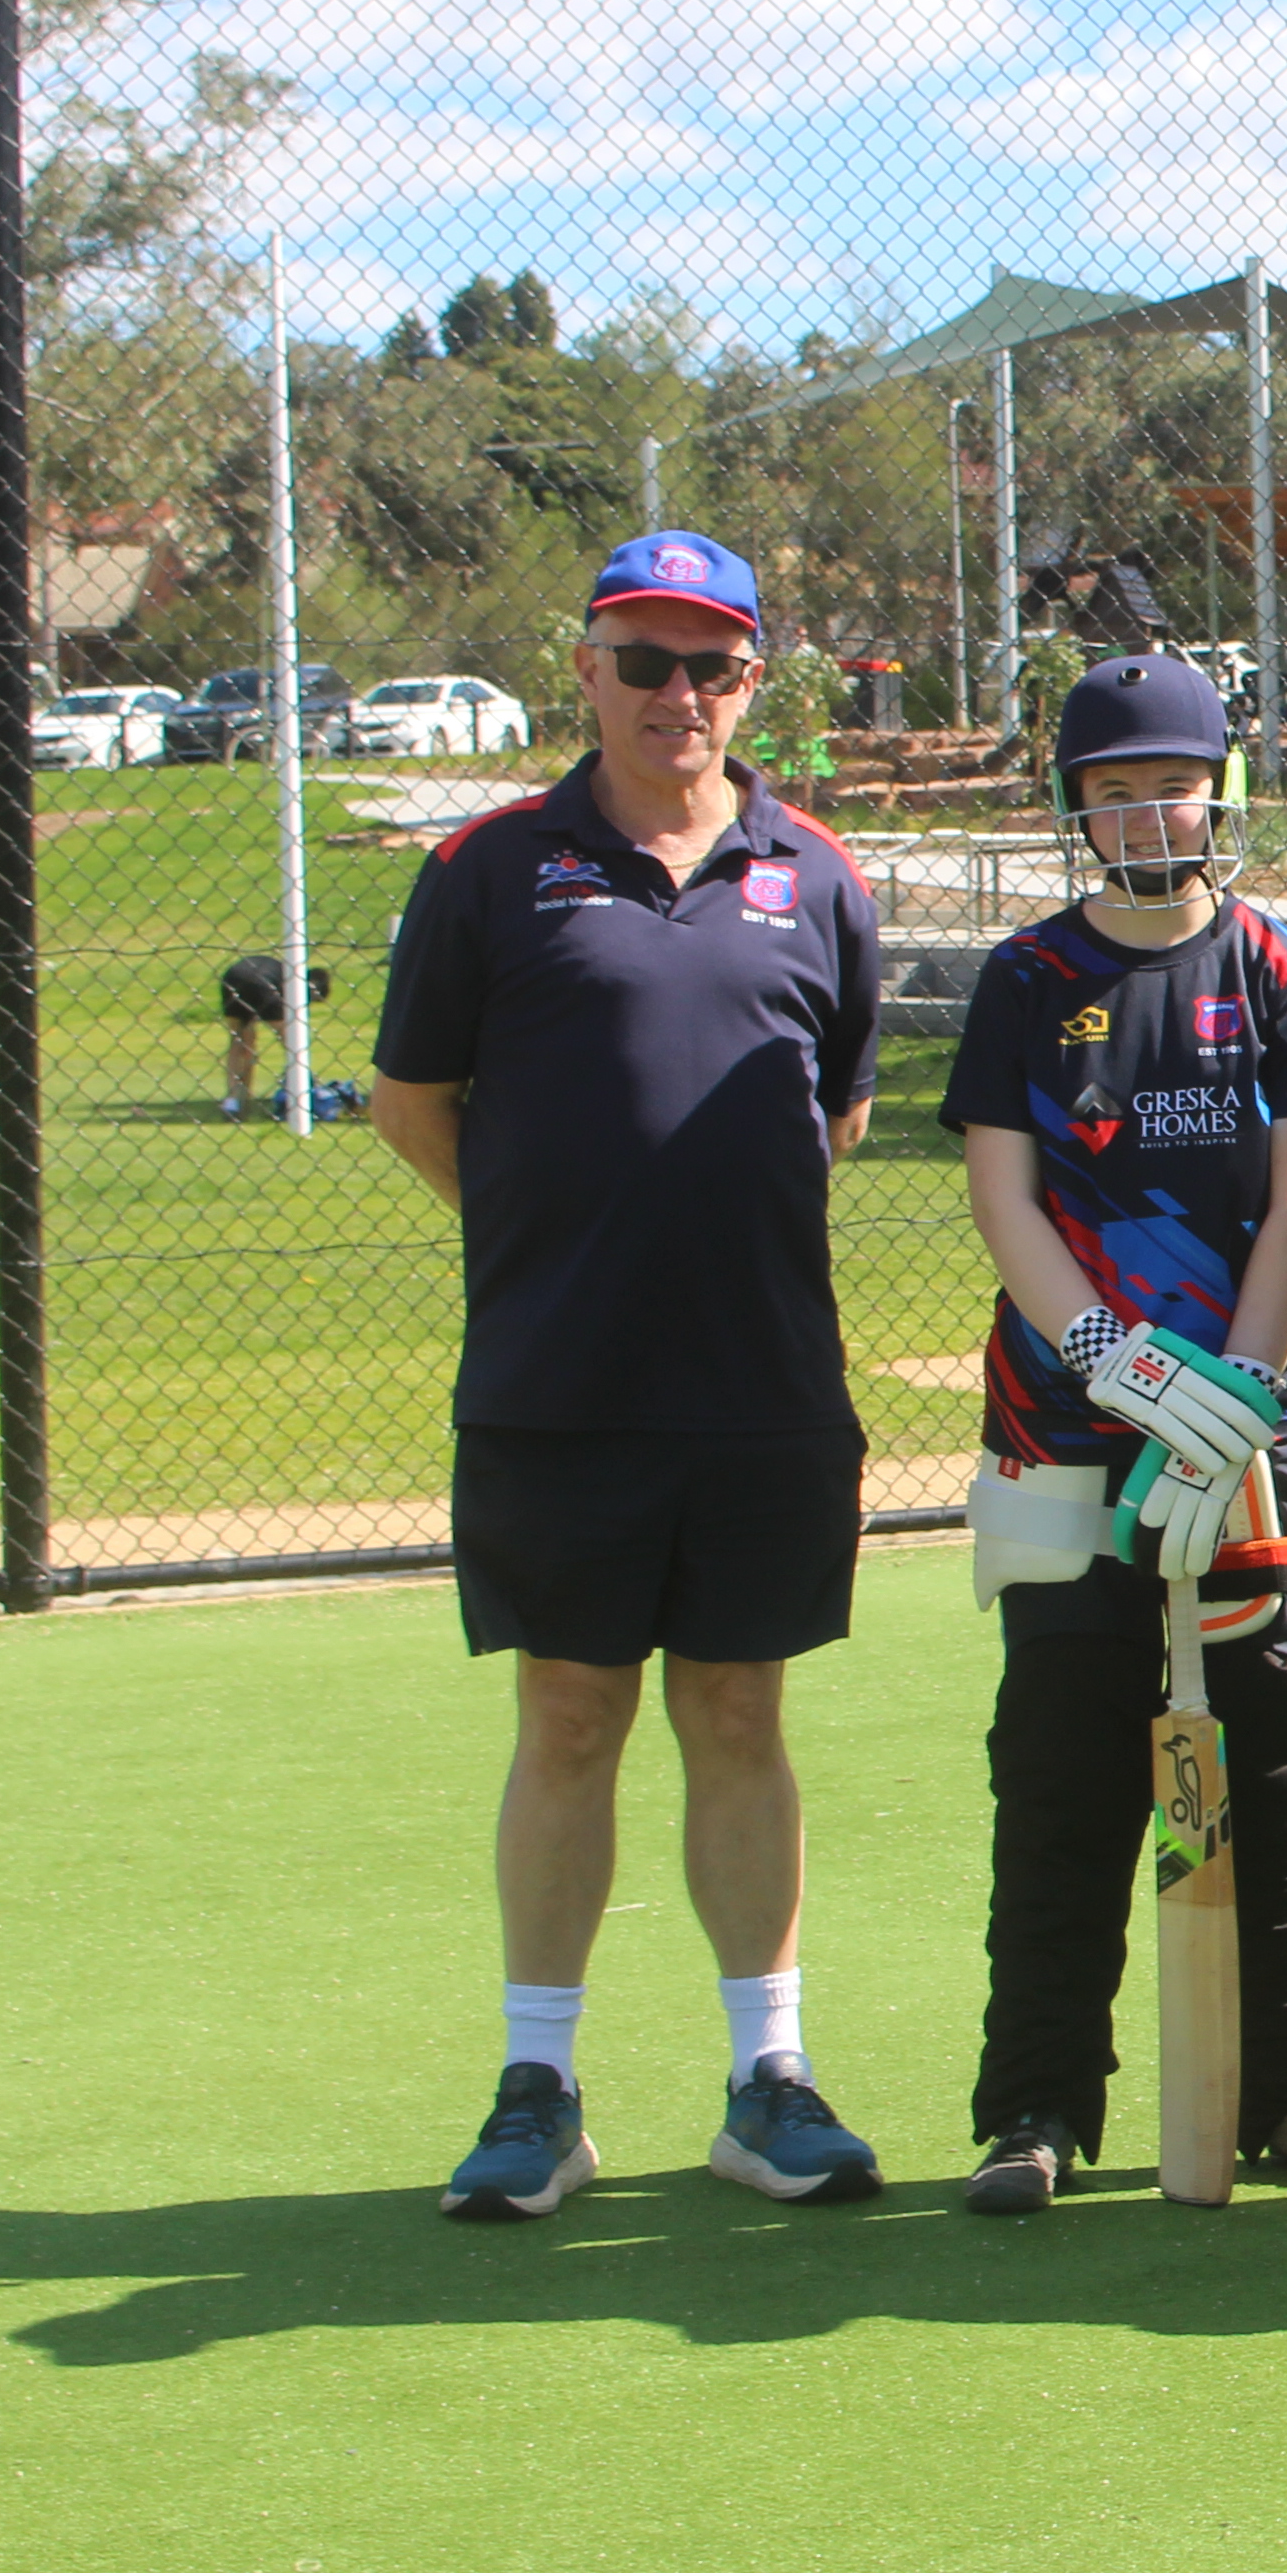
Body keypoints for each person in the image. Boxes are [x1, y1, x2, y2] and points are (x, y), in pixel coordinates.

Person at [370, 531, 887, 2222]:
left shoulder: (815, 876)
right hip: (557, 1388)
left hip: (761, 1393)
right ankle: (537, 2091)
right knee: (569, 1716)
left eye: (712, 666)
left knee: (739, 1713)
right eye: (645, 661)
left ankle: (768, 2082)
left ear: (753, 683)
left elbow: (845, 1118)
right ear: (583, 669)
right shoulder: (491, 869)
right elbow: (412, 1102)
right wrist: (551, 1232)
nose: (680, 696)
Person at [941, 652, 1287, 2216]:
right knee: (1060, 1765)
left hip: (1253, 1434)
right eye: (1112, 789)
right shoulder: (1025, 979)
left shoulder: (1277, 969)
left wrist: (1234, 1405)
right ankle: (1037, 2105)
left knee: (1277, 1760)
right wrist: (1111, 1365)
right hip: (1059, 1431)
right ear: (1076, 807)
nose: (1146, 813)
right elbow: (1005, 1195)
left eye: (1172, 783)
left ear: (1224, 791)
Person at [218, 950, 331, 1117]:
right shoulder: (297, 984)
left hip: (233, 978)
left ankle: (234, 1100)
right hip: (263, 983)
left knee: (238, 1042)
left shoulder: (283, 970)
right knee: (291, 1041)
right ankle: (310, 1087)